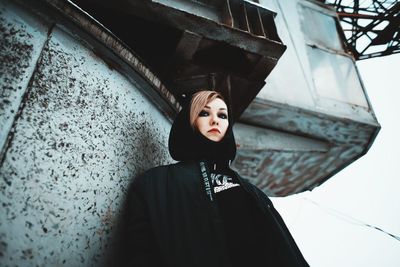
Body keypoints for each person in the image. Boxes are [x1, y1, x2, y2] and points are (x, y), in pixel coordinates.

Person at [127, 90, 309, 267]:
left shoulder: (254, 192)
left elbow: (282, 250)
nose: (215, 120)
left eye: (222, 116)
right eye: (204, 113)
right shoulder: (156, 184)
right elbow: (141, 253)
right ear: (189, 121)